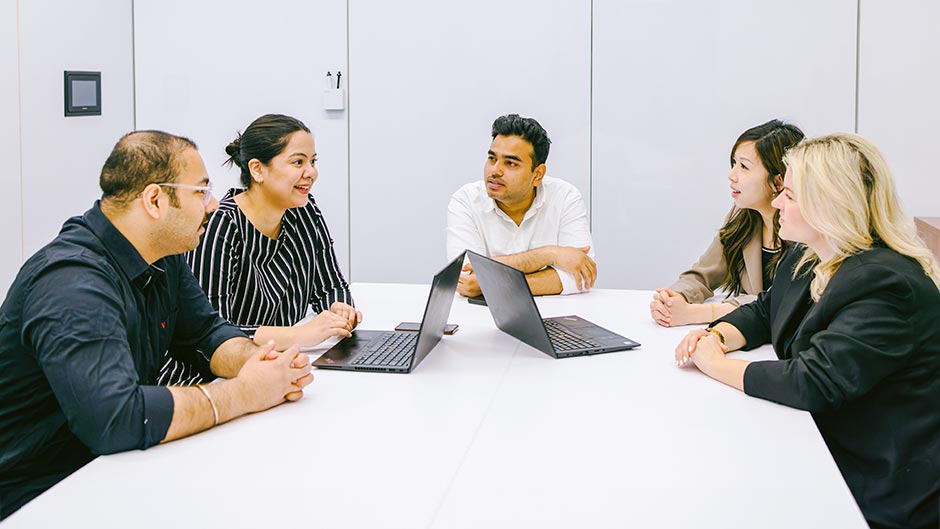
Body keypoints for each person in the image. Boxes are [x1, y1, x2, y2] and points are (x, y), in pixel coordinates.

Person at [0, 131, 314, 519]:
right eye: (200, 192)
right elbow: (115, 418)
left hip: (111, 473)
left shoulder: (162, 254)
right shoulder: (73, 283)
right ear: (154, 200)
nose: (214, 204)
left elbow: (205, 334)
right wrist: (246, 393)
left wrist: (257, 362)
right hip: (37, 497)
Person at [674, 133, 940, 529]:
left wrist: (714, 364)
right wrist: (717, 336)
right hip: (824, 446)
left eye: (791, 196)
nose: (777, 202)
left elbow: (813, 381)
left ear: (829, 206)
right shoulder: (810, 253)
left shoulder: (887, 283)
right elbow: (766, 310)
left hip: (878, 485)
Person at [186, 114, 361, 365]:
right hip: (221, 375)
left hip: (286, 361)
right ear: (257, 169)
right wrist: (299, 335)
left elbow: (331, 285)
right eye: (298, 162)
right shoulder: (221, 225)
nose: (311, 172)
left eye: (312, 161)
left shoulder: (304, 210)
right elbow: (210, 332)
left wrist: (340, 309)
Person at [650, 120, 804, 326]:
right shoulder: (742, 216)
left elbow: (778, 302)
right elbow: (702, 274)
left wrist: (696, 313)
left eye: (744, 167)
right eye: (734, 163)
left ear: (778, 181)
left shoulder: (804, 227)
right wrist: (673, 298)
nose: (731, 175)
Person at [446, 113, 596, 297]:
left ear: (538, 174)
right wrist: (550, 254)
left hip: (556, 315)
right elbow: (467, 276)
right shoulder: (465, 200)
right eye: (492, 158)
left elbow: (580, 276)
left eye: (510, 163)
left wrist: (492, 284)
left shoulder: (565, 197)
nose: (495, 170)